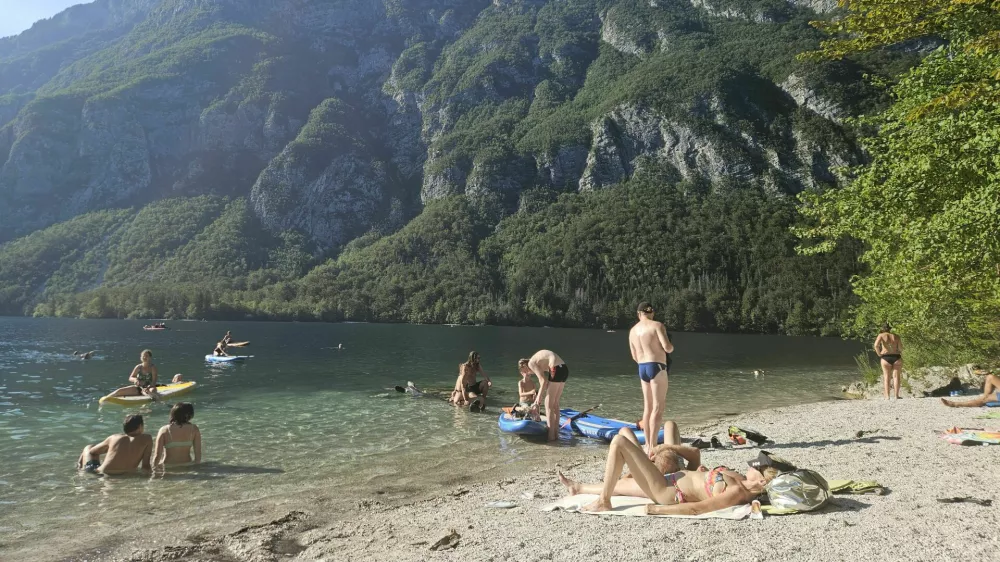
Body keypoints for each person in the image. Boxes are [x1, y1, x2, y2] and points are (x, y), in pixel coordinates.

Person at [558, 432, 788, 515]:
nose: (750, 466)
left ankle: (604, 501)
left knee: (619, 441)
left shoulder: (738, 491)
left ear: (761, 479)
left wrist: (657, 509)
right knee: (624, 483)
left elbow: (698, 509)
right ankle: (579, 488)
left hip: (667, 491)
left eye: (755, 466)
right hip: (671, 480)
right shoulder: (740, 480)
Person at [629, 302, 674, 459]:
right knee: (658, 407)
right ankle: (653, 447)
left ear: (639, 314)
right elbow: (667, 348)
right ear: (652, 313)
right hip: (657, 366)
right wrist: (671, 346)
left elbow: (634, 356)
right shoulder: (657, 325)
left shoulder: (633, 331)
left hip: (642, 367)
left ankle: (647, 444)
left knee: (647, 407)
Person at [76, 414, 152, 475]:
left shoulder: (114, 438)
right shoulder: (147, 439)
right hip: (125, 474)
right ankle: (80, 467)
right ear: (140, 426)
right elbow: (146, 466)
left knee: (89, 447)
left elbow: (92, 452)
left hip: (101, 473)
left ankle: (79, 467)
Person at [519, 350, 569, 441]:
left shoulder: (531, 363)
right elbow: (545, 383)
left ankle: (551, 437)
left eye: (526, 371)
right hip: (564, 369)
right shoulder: (538, 361)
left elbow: (543, 381)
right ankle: (556, 435)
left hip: (556, 368)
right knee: (555, 403)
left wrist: (538, 398)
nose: (529, 373)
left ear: (525, 366)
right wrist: (540, 395)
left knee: (548, 405)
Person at [154, 402, 201, 467]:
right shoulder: (194, 429)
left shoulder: (164, 430)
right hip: (187, 466)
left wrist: (154, 469)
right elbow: (198, 457)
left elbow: (157, 456)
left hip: (168, 467)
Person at [874, 322, 903, 399]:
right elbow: (900, 348)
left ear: (882, 328)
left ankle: (887, 396)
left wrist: (879, 354)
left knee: (886, 377)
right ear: (890, 329)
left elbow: (876, 345)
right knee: (896, 377)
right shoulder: (896, 336)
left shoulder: (881, 335)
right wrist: (898, 351)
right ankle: (896, 395)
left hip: (886, 357)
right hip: (896, 357)